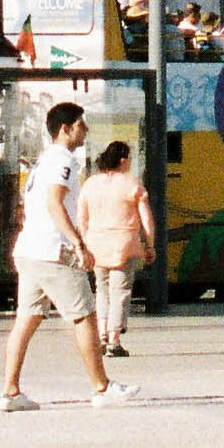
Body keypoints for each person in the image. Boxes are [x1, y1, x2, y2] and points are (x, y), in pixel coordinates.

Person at [0, 102, 130, 412]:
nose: (85, 130)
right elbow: (55, 202)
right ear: (66, 129)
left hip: (29, 249)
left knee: (26, 320)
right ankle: (102, 387)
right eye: (81, 125)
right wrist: (77, 244)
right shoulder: (64, 160)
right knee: (85, 316)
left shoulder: (43, 160)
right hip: (53, 250)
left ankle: (10, 391)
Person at [80, 137, 156, 360]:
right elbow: (146, 219)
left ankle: (102, 335)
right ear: (123, 160)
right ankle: (114, 340)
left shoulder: (91, 184)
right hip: (123, 244)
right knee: (120, 292)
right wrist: (149, 245)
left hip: (96, 244)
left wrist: (84, 242)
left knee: (101, 291)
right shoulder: (131, 184)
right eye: (130, 159)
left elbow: (81, 218)